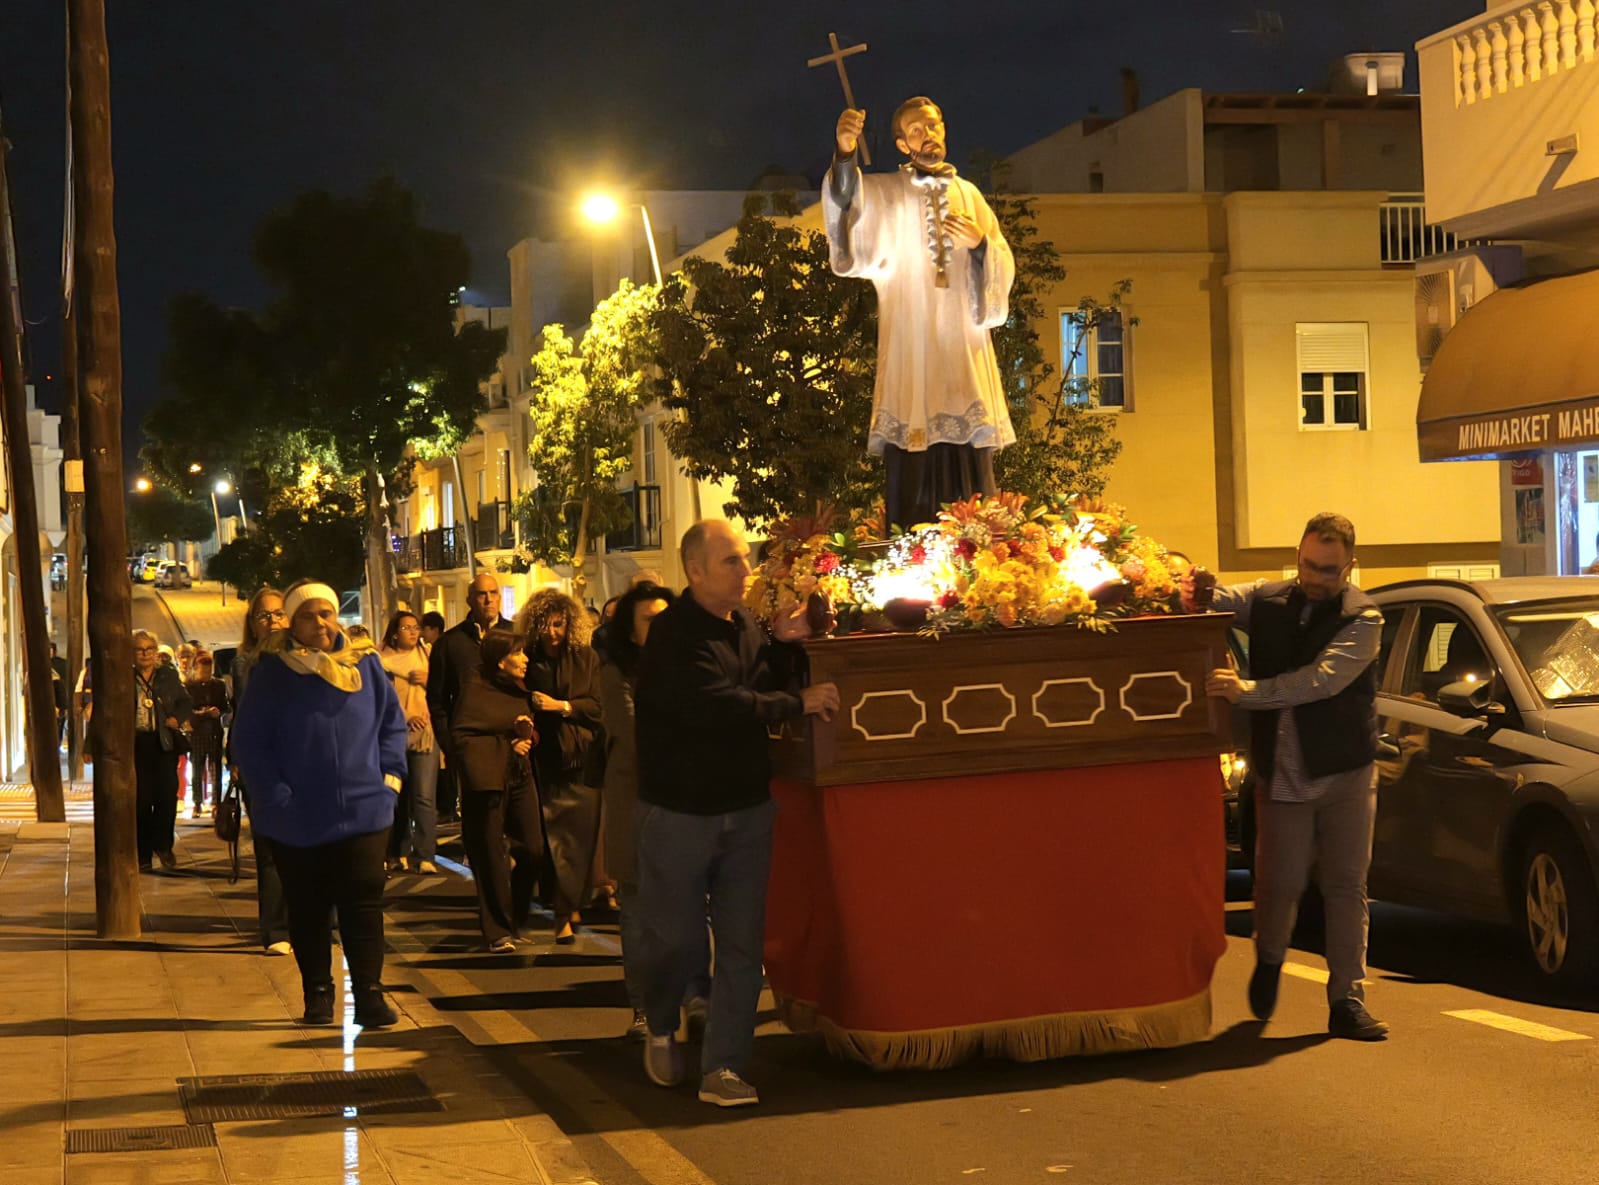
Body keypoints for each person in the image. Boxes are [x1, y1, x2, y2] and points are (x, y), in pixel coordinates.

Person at [634, 519, 840, 1107]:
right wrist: (794, 702)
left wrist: (786, 644)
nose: (746, 569)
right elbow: (716, 704)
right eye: (732, 561)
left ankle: (723, 1068)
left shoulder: (745, 625)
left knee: (744, 945)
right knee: (672, 941)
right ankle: (660, 1019)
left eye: (745, 558)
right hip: (679, 812)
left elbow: (760, 679)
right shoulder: (673, 635)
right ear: (695, 571)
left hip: (747, 808)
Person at [1189, 512, 1389, 1042]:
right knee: (1278, 883)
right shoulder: (1267, 598)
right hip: (1282, 771)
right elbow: (1209, 601)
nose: (1314, 577)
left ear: (1350, 565)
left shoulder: (1364, 618)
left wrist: (1246, 692)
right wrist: (1182, 583)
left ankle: (1347, 999)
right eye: (1306, 565)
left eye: (1327, 570)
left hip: (1347, 769)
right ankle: (1271, 958)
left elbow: (1319, 683)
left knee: (1347, 886)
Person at [824, 97, 1015, 528]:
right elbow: (847, 205)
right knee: (914, 450)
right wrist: (845, 152)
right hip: (912, 341)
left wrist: (981, 245)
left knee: (970, 461)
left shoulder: (969, 194)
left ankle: (975, 546)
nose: (927, 136)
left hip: (962, 347)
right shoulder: (887, 193)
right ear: (900, 143)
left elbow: (1000, 254)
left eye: (933, 126)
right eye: (915, 130)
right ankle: (910, 544)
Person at [231, 580, 408, 1028]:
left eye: (326, 614)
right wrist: (276, 797)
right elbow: (251, 742)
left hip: (366, 809)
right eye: (309, 616)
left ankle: (369, 993)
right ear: (294, 622)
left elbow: (392, 723)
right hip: (298, 815)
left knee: (363, 902)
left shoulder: (365, 665)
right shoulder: (273, 672)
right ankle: (318, 993)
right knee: (308, 907)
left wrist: (390, 780)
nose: (320, 624)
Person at [598, 582, 679, 1040]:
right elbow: (629, 736)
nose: (661, 628)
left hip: (685, 801)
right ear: (630, 631)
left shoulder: (687, 665)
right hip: (637, 801)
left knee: (683, 909)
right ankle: (644, 1008)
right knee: (638, 909)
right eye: (650, 620)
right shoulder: (616, 672)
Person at [515, 588, 603, 945]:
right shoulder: (529, 659)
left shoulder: (587, 658)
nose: (553, 632)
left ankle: (571, 903)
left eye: (559, 624)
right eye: (546, 624)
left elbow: (596, 706)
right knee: (554, 841)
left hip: (582, 759)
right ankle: (562, 914)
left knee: (581, 840)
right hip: (545, 758)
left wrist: (561, 706)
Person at [451, 628, 546, 953]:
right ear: (499, 660)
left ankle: (515, 919)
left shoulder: (520, 689)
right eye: (518, 653)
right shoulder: (474, 687)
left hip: (520, 778)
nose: (525, 659)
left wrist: (527, 736)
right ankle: (497, 931)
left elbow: (526, 730)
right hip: (487, 783)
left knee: (533, 848)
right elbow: (464, 737)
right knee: (491, 856)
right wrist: (508, 745)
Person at [231, 587, 294, 955]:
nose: (272, 621)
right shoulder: (245, 663)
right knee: (270, 848)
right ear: (252, 624)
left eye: (279, 613)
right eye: (264, 615)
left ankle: (310, 920)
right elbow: (244, 717)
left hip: (303, 763)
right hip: (264, 765)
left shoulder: (306, 658)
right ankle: (275, 930)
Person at [429, 574, 513, 825]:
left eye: (493, 593)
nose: (488, 599)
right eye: (481, 594)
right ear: (469, 600)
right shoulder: (450, 643)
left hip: (513, 743)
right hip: (471, 747)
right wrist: (450, 742)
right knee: (480, 823)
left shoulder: (517, 637)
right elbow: (437, 699)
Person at [379, 610, 439, 874]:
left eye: (416, 627)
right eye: (407, 628)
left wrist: (431, 680)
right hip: (394, 735)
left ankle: (425, 855)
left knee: (424, 796)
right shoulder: (380, 662)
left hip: (426, 733)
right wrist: (404, 717)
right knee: (396, 796)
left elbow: (445, 689)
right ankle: (397, 851)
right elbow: (380, 699)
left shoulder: (428, 657)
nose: (414, 632)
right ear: (394, 632)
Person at [132, 629, 194, 872]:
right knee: (141, 801)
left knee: (168, 797)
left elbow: (185, 701)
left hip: (163, 742)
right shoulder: (126, 677)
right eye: (139, 649)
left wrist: (177, 718)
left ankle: (163, 845)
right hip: (137, 743)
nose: (145, 654)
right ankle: (143, 854)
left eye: (149, 649)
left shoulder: (167, 675)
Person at [185, 651, 229, 818]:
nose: (206, 675)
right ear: (196, 669)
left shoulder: (219, 685)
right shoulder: (189, 686)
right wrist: (202, 713)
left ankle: (216, 802)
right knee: (197, 768)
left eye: (209, 671)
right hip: (197, 731)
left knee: (215, 768)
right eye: (203, 671)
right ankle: (197, 802)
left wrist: (219, 711)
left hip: (214, 731)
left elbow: (225, 706)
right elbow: (187, 709)